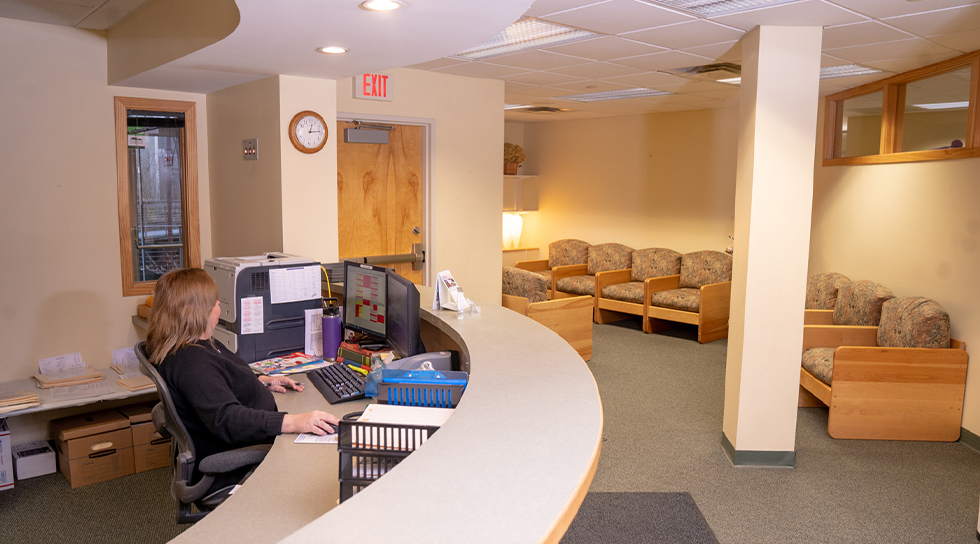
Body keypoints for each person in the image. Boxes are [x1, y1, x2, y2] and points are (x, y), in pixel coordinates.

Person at [146, 268, 339, 488]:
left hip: (251, 436)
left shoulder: (195, 343)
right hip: (237, 457)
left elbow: (216, 383)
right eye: (215, 303)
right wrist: (295, 421)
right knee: (327, 464)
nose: (219, 306)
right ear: (198, 311)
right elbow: (227, 419)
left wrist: (258, 382)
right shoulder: (191, 362)